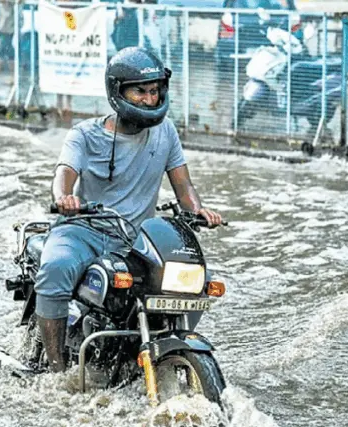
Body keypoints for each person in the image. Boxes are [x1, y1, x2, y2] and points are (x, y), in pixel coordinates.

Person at [34, 47, 224, 373]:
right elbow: (63, 174)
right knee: (56, 267)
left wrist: (198, 209)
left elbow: (184, 186)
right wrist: (65, 197)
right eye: (140, 91)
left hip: (139, 238)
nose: (150, 100)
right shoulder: (85, 134)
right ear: (117, 91)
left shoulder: (166, 132)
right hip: (85, 230)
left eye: (154, 91)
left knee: (193, 280)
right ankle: (56, 370)